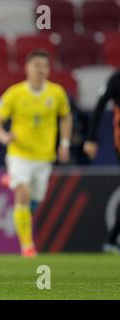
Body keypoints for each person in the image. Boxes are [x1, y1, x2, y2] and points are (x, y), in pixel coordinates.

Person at [0, 50, 73, 258]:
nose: (40, 70)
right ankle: (27, 247)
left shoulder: (57, 93)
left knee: (35, 200)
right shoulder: (14, 93)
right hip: (20, 154)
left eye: (44, 66)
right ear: (27, 68)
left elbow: (65, 117)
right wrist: (4, 137)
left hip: (44, 157)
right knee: (23, 194)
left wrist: (64, 143)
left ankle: (12, 181)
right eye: (36, 65)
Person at [83, 70, 120, 254]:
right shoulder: (116, 79)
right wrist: (90, 138)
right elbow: (99, 107)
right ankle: (112, 240)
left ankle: (112, 240)